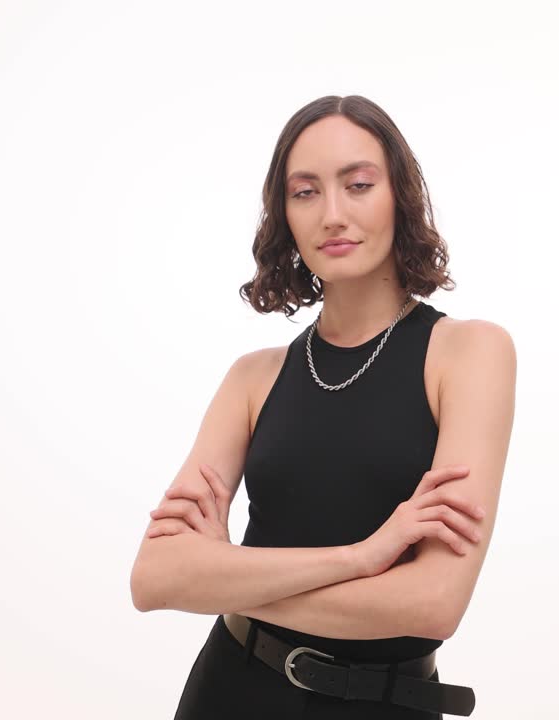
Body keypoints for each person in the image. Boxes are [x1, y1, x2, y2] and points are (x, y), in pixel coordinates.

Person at [129, 95, 517, 719]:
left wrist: (226, 574)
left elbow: (434, 602)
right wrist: (362, 558)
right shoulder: (253, 378)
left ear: (400, 196)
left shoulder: (469, 353)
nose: (333, 214)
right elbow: (153, 579)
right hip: (232, 695)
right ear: (284, 215)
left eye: (358, 185)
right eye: (305, 192)